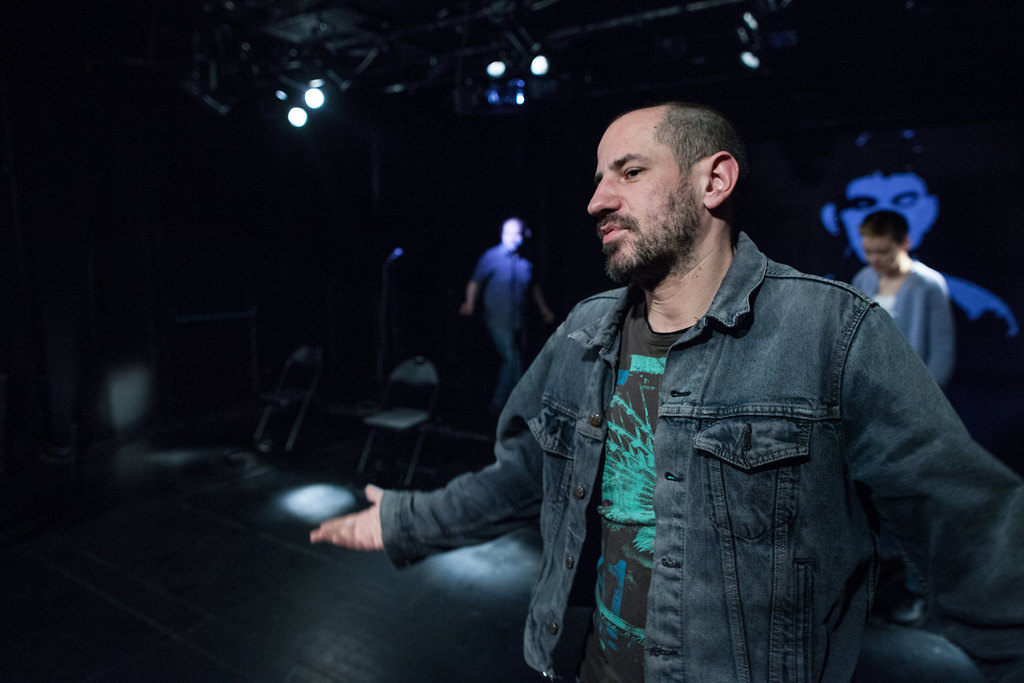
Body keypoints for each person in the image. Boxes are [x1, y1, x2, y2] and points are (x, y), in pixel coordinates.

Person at [311, 103, 1024, 681]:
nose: (597, 200)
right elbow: (524, 473)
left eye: (629, 171)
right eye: (598, 178)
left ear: (714, 181)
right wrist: (408, 519)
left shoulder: (832, 333)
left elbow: (974, 538)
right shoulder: (583, 330)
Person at [458, 217, 555, 414]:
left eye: (516, 233)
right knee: (513, 359)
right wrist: (470, 302)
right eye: (507, 233)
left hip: (519, 320)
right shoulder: (491, 256)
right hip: (497, 318)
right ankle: (525, 406)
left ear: (523, 236)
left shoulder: (526, 261)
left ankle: (498, 404)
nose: (511, 238)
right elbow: (475, 281)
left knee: (512, 360)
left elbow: (534, 288)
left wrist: (544, 309)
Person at [852, 209, 956, 389]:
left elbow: (942, 349)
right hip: (870, 389)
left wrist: (928, 393)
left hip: (914, 389)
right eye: (868, 252)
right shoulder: (863, 279)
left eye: (883, 252)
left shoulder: (928, 283)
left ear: (905, 243)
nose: (874, 259)